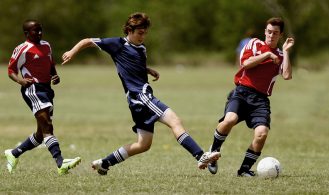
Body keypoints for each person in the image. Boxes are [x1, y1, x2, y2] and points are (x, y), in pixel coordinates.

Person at [62, 12, 220, 175]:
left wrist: (147, 70)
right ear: (129, 30)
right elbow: (87, 41)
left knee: (143, 144)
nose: (143, 36)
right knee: (174, 120)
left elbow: (132, 65)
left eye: (145, 33)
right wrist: (72, 52)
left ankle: (104, 163)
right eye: (140, 33)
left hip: (137, 100)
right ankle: (200, 156)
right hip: (141, 97)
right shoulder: (117, 44)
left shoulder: (141, 48)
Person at [207, 17, 294, 176]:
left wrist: (286, 51)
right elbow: (245, 63)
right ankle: (213, 153)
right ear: (265, 32)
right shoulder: (254, 43)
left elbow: (287, 75)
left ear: (280, 35)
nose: (271, 35)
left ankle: (244, 170)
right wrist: (267, 54)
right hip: (241, 92)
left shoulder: (281, 55)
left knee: (262, 133)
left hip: (260, 100)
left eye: (275, 33)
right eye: (269, 32)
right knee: (230, 120)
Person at [5, 19, 81, 175]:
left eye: (40, 30)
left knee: (41, 134)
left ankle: (13, 153)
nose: (39, 33)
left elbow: (50, 63)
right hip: (33, 89)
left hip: (47, 89)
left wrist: (55, 75)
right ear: (27, 33)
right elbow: (11, 70)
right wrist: (20, 80)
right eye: (35, 30)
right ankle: (61, 162)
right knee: (47, 125)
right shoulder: (23, 49)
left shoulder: (46, 45)